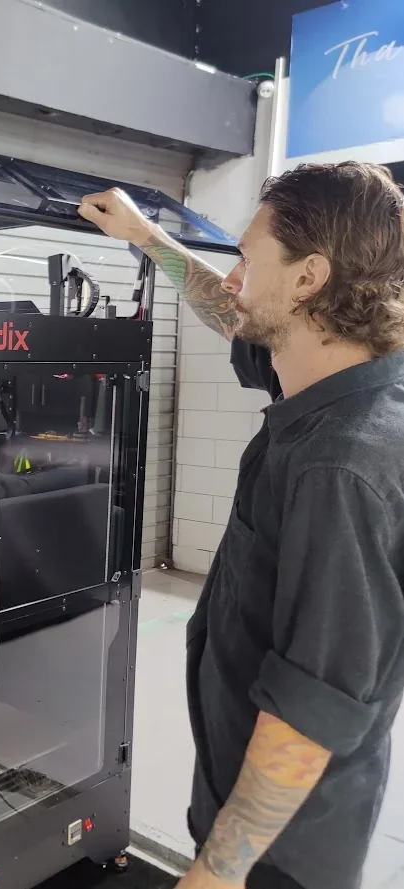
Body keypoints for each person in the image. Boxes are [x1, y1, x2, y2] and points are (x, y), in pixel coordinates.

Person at [79, 162, 404, 889]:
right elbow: (228, 311)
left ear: (307, 278)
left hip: (276, 853)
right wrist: (144, 236)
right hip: (248, 814)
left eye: (247, 260)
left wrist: (216, 872)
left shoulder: (341, 465)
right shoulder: (326, 371)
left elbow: (310, 710)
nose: (232, 279)